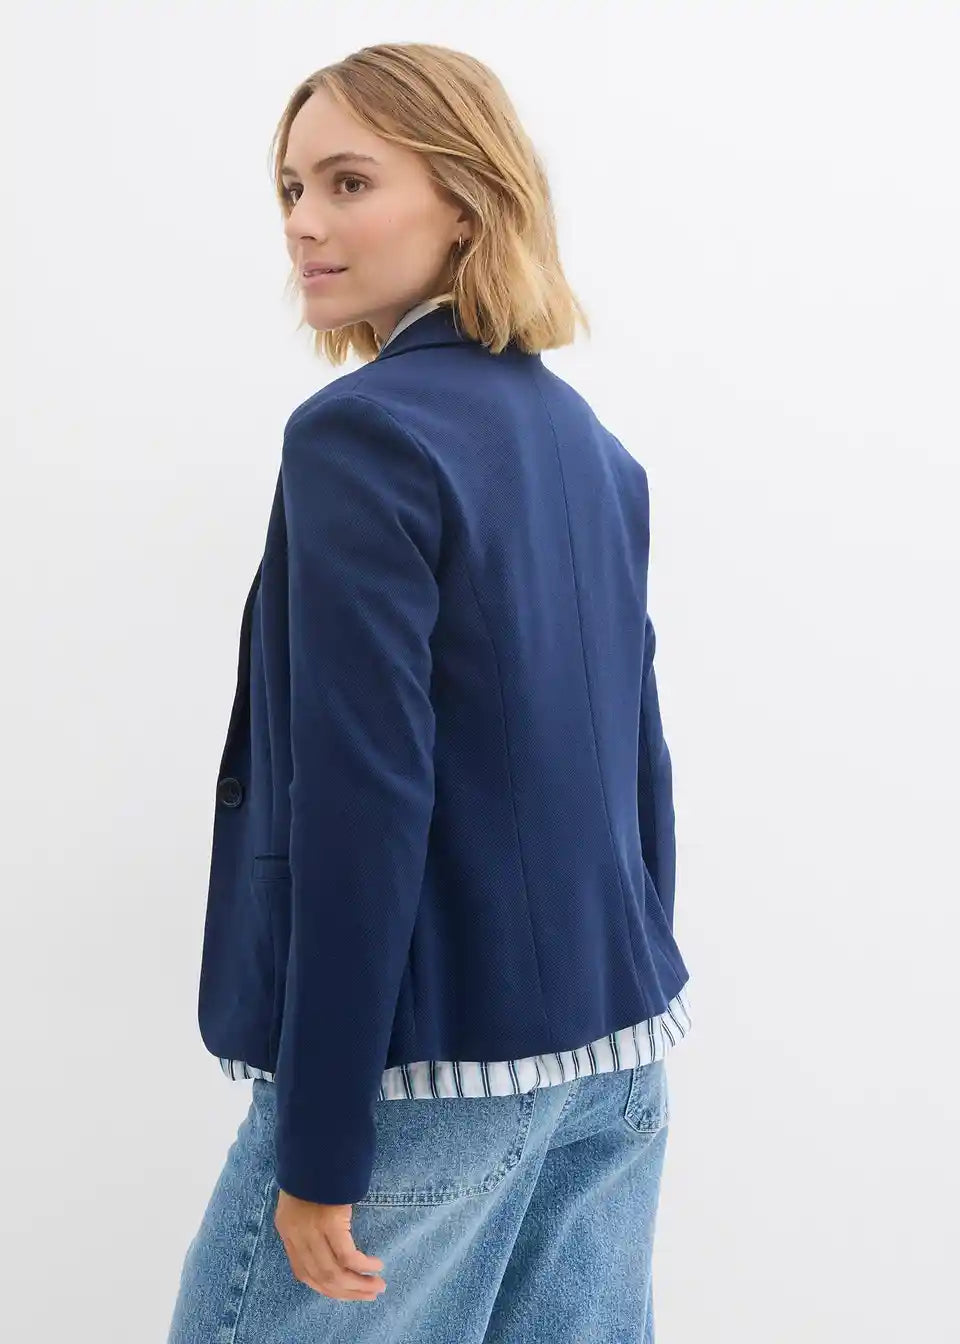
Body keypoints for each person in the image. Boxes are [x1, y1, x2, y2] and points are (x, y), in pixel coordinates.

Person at [166, 40, 693, 1344]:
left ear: (467, 200)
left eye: (349, 182)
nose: (304, 222)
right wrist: (619, 987)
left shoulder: (360, 434)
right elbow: (640, 770)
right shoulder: (594, 449)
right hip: (616, 1050)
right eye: (292, 188)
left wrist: (322, 1139)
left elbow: (363, 801)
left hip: (421, 1076)